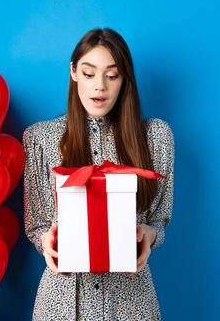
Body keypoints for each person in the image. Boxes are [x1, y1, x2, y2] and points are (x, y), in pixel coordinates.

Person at [22, 28, 174, 320]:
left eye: (112, 75)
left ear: (124, 79)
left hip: (131, 302)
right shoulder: (40, 139)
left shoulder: (156, 137)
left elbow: (158, 218)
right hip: (63, 303)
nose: (100, 87)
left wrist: (148, 234)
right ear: (74, 72)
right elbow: (37, 223)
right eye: (89, 73)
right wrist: (46, 241)